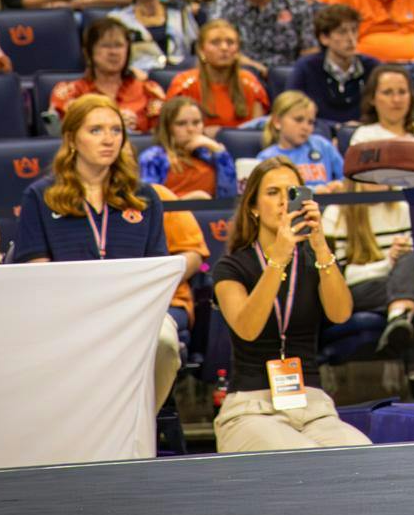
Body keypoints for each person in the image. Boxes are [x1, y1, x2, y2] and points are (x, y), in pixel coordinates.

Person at [211, 155, 372, 450]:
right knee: (302, 457)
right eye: (273, 193)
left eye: (293, 193)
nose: (285, 201)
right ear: (253, 208)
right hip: (251, 407)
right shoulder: (231, 267)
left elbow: (340, 314)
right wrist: (279, 259)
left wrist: (321, 245)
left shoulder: (314, 261)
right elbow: (247, 327)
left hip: (312, 406)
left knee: (360, 454)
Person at [49, 18, 167, 134]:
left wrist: (138, 131)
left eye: (119, 45)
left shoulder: (148, 90)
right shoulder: (69, 92)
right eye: (105, 46)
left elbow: (164, 136)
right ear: (88, 52)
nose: (113, 52)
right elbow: (59, 136)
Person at [169, 19, 271, 133]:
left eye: (230, 43)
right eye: (215, 42)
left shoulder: (250, 83)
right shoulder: (184, 85)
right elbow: (174, 132)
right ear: (201, 50)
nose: (224, 48)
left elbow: (255, 135)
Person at [139, 95, 239, 200]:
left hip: (213, 215)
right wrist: (186, 200)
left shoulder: (212, 155)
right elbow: (149, 202)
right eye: (181, 124)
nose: (191, 129)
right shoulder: (153, 157)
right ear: (167, 128)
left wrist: (218, 151)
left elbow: (229, 199)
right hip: (172, 215)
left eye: (196, 122)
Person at [254, 91, 347, 192]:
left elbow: (346, 177)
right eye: (298, 120)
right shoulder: (267, 158)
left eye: (310, 122)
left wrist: (339, 185)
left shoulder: (322, 145)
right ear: (277, 122)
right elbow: (272, 194)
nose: (306, 127)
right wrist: (314, 191)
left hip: (327, 205)